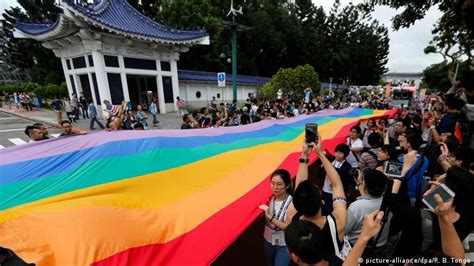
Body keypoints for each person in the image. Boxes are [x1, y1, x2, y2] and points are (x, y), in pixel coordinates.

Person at [289, 136, 349, 264]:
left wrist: (305, 154)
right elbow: (337, 184)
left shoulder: (292, 218)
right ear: (322, 202)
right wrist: (320, 154)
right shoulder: (337, 223)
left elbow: (300, 187)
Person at [345, 169, 390, 257]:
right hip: (380, 248)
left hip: (359, 249)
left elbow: (345, 230)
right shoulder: (388, 202)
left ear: (365, 185)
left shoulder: (356, 206)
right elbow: (369, 198)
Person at [260, 169, 294, 266]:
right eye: (272, 183)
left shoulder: (291, 203)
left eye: (279, 184)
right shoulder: (268, 198)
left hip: (284, 244)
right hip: (268, 240)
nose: (275, 187)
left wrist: (270, 217)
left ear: (287, 185)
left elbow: (287, 226)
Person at [322, 143, 352, 215]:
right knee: (325, 208)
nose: (337, 154)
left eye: (340, 153)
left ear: (345, 155)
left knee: (331, 210)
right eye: (336, 152)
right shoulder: (331, 159)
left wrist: (326, 163)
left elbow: (340, 172)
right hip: (325, 189)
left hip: (336, 192)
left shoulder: (347, 165)